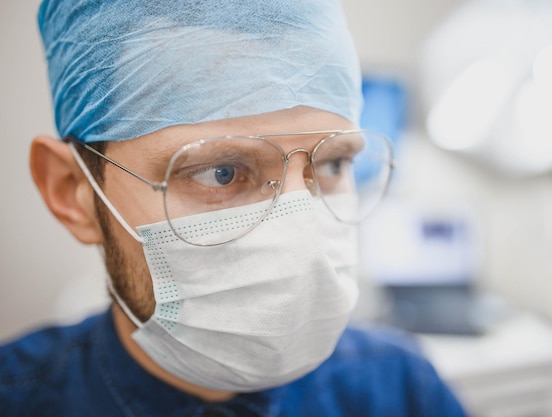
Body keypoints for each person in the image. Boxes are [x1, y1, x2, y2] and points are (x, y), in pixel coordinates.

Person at [0, 1, 468, 416]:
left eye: (334, 163)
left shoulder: (401, 389)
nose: (301, 243)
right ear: (72, 192)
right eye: (220, 172)